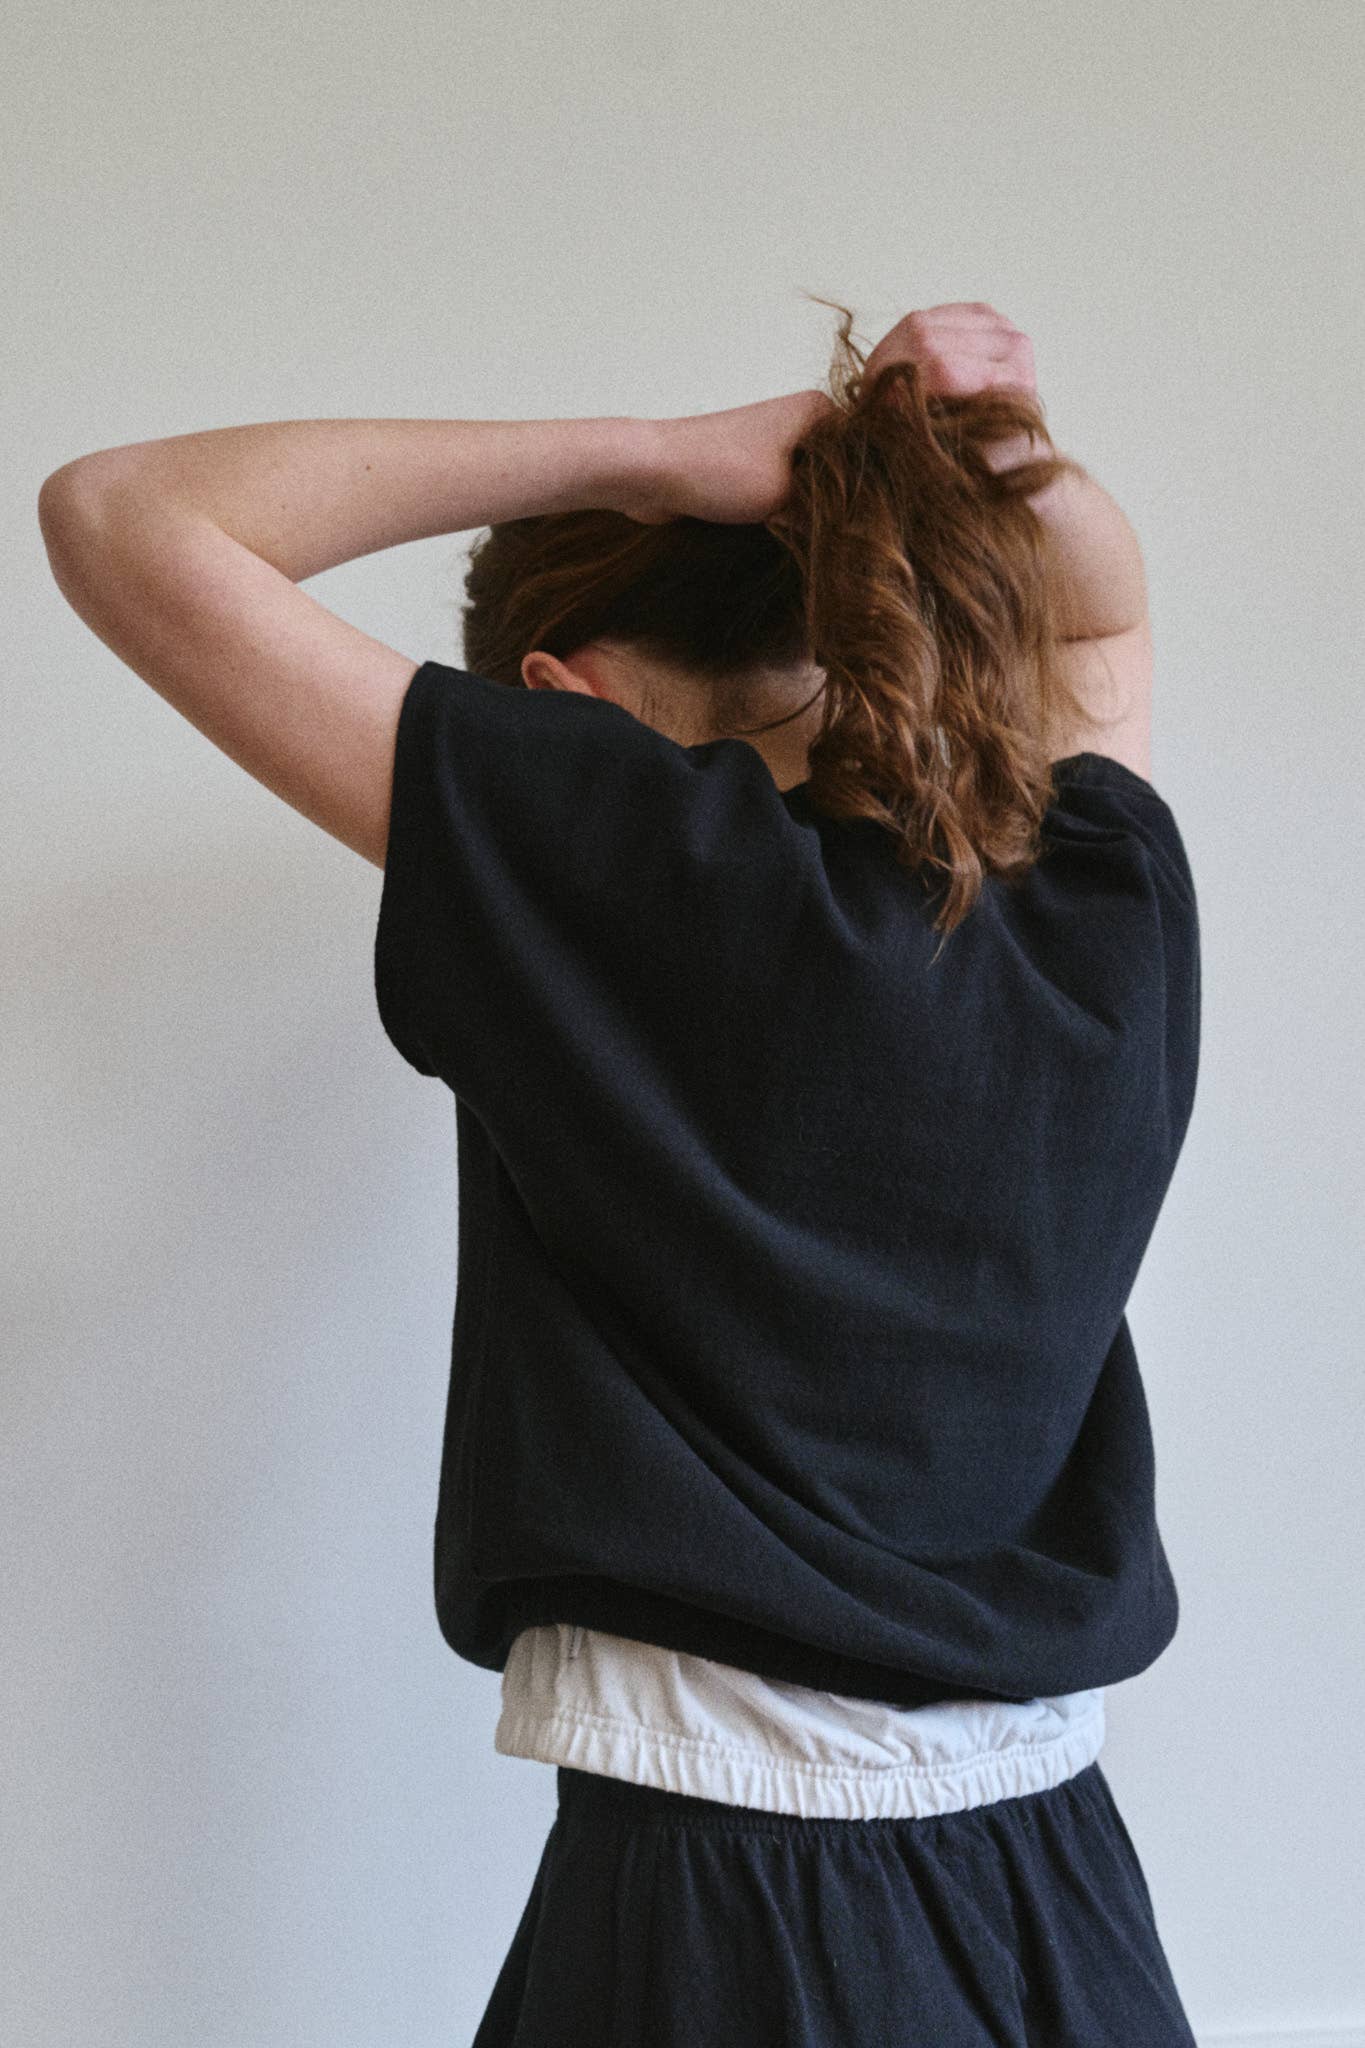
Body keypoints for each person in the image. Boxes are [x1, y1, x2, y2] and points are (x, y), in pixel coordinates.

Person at [39, 298, 1201, 2045]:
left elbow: (122, 515)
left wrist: (654, 456)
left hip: (727, 1910)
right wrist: (976, 446)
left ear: (553, 702)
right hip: (1058, 1890)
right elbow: (1097, 614)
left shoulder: (626, 879)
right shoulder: (1093, 886)